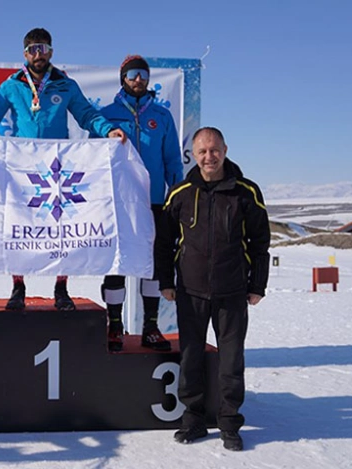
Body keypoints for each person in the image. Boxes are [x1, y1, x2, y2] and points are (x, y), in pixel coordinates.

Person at [0, 27, 126, 311]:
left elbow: (86, 114)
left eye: (44, 48)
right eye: (34, 49)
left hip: (57, 168)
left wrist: (108, 130)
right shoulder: (12, 85)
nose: (39, 54)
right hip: (21, 167)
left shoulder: (66, 85)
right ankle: (18, 286)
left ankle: (61, 287)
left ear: (51, 52)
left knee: (61, 225)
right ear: (25, 53)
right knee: (19, 224)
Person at [156, 127, 270, 451]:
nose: (210, 157)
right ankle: (192, 419)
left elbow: (260, 242)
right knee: (191, 356)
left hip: (232, 292)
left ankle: (229, 422)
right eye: (203, 151)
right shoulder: (179, 194)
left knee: (231, 360)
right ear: (194, 154)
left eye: (215, 150)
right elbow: (165, 243)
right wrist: (165, 280)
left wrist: (257, 284)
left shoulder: (246, 192)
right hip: (190, 292)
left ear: (225, 150)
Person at [96, 55, 184, 352]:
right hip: (117, 203)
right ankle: (115, 326)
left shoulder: (161, 116)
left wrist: (176, 193)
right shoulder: (106, 116)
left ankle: (150, 327)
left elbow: (172, 158)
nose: (138, 79)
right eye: (132, 74)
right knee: (117, 263)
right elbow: (91, 158)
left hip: (153, 203)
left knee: (153, 266)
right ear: (123, 78)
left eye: (143, 74)